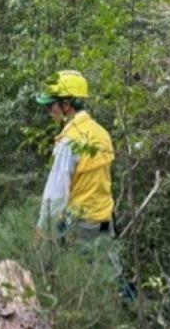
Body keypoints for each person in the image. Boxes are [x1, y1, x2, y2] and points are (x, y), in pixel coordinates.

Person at [34, 70, 115, 241]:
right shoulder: (102, 134)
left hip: (80, 225)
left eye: (51, 105)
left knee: (65, 265)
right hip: (105, 221)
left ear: (66, 105)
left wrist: (41, 231)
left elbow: (55, 197)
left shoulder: (69, 142)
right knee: (105, 266)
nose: (49, 111)